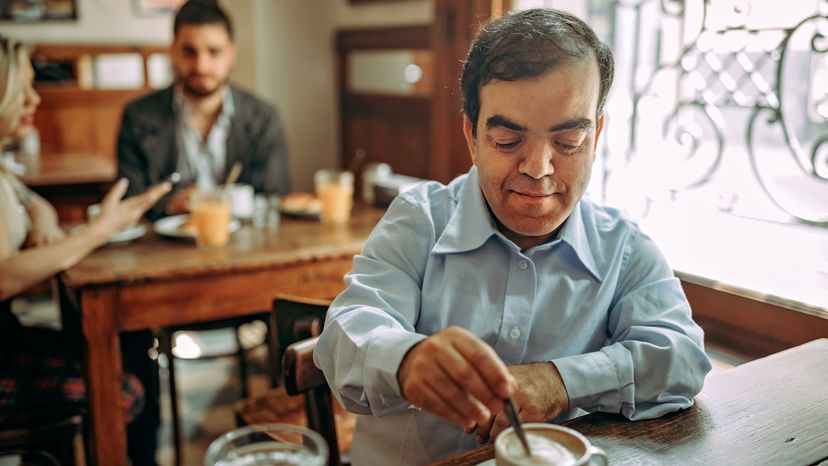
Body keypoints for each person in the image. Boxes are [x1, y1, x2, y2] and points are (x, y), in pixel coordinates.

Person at [314, 8, 712, 465]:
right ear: (472, 135)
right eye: (507, 140)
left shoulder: (622, 248)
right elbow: (345, 333)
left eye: (568, 143)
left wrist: (561, 382)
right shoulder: (419, 221)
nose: (538, 168)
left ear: (596, 134)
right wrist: (406, 360)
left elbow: (681, 357)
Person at [0, 34, 171, 454]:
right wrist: (100, 229)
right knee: (122, 388)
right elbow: (2, 278)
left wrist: (40, 210)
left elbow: (25, 194)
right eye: (22, 89)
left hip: (9, 335)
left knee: (129, 350)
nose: (35, 99)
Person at [117, 0, 290, 221]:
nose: (201, 66)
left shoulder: (264, 118)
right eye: (189, 52)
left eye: (214, 52)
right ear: (173, 52)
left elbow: (273, 195)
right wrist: (170, 204)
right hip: (163, 248)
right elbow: (130, 199)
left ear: (231, 54)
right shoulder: (138, 116)